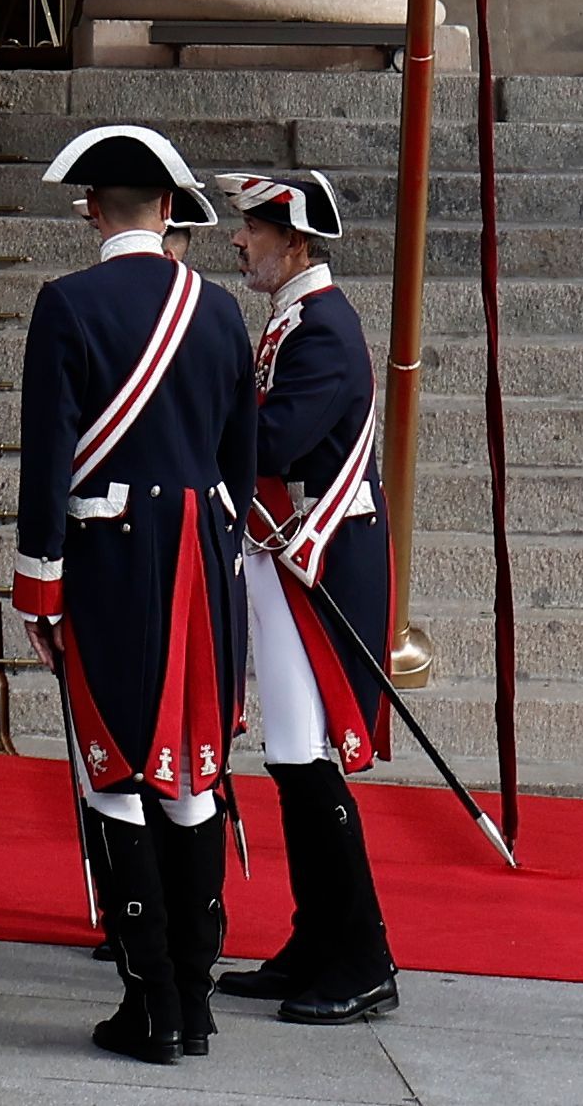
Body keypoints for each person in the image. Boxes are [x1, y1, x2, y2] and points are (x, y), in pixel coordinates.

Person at [12, 120, 260, 1068]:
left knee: (114, 772)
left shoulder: (68, 304)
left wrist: (39, 588)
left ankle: (148, 1002)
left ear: (91, 210)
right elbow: (239, 462)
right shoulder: (222, 310)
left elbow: (47, 459)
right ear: (166, 208)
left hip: (110, 563)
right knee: (193, 772)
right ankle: (194, 1001)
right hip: (202, 561)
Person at [217, 165, 401, 1027]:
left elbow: (279, 440)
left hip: (318, 558)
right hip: (287, 553)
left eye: (252, 228)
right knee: (291, 756)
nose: (239, 239)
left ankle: (363, 958)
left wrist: (195, 403)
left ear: (293, 241)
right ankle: (318, 936)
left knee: (306, 756)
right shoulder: (296, 317)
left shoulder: (322, 327)